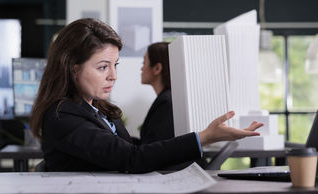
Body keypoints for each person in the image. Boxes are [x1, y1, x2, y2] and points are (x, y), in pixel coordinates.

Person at [30, 18, 263, 173]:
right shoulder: (62, 115)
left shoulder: (97, 109)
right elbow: (131, 158)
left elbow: (129, 149)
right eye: (103, 67)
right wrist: (204, 137)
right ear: (72, 67)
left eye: (115, 65)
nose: (113, 76)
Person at [140, 42, 174, 144]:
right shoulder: (169, 98)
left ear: (157, 68)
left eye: (144, 63)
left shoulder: (167, 102)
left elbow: (155, 149)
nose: (141, 68)